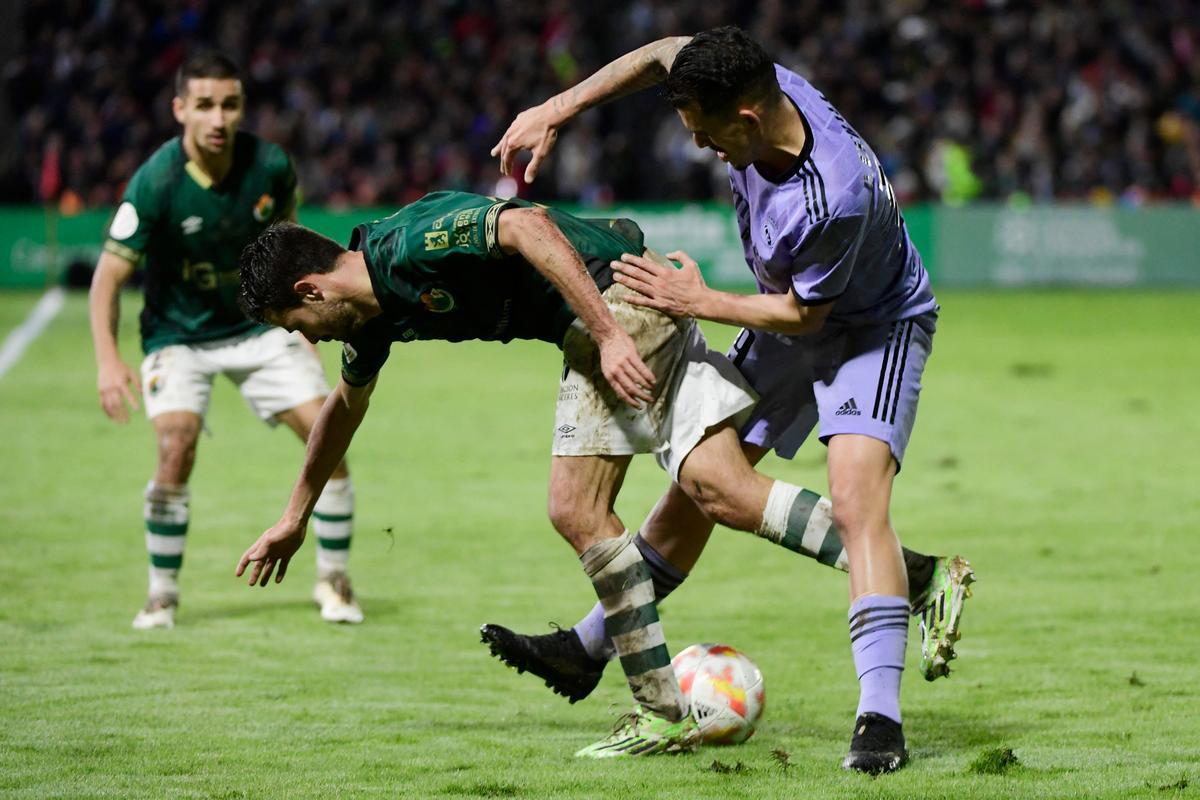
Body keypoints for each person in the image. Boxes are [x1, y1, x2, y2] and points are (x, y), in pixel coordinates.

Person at [235, 192, 948, 760]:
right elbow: (343, 408)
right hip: (626, 296)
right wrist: (295, 514)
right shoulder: (369, 315)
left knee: (575, 508)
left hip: (615, 305)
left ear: (310, 287)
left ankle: (661, 713)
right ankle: (916, 577)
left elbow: (526, 225)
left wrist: (606, 335)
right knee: (722, 490)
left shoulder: (405, 245)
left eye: (293, 321)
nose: (303, 337)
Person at [486, 26, 974, 773]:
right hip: (789, 310)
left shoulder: (831, 194)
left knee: (855, 502)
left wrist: (699, 299)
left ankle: (882, 718)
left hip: (871, 327)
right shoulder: (755, 80)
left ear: (745, 118)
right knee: (702, 480)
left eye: (706, 135)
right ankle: (588, 648)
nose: (703, 149)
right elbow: (658, 55)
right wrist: (558, 107)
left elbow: (809, 318)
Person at [88, 52, 363, 629]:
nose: (219, 117)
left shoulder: (268, 167)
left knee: (326, 439)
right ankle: (161, 594)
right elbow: (109, 276)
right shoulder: (155, 182)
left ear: (241, 107)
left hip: (257, 327)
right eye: (206, 105)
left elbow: (290, 241)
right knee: (175, 446)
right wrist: (109, 359)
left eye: (230, 104)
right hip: (179, 335)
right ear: (180, 109)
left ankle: (334, 581)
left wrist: (307, 326)